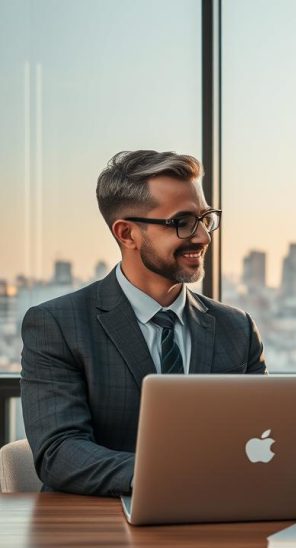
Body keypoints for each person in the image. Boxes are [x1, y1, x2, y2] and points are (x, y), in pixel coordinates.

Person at [20, 150, 267, 496]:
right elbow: (59, 452)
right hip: (100, 530)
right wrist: (168, 477)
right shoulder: (58, 325)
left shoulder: (236, 328)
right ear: (127, 234)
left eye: (205, 218)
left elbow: (267, 435)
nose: (203, 237)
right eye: (182, 222)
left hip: (220, 521)